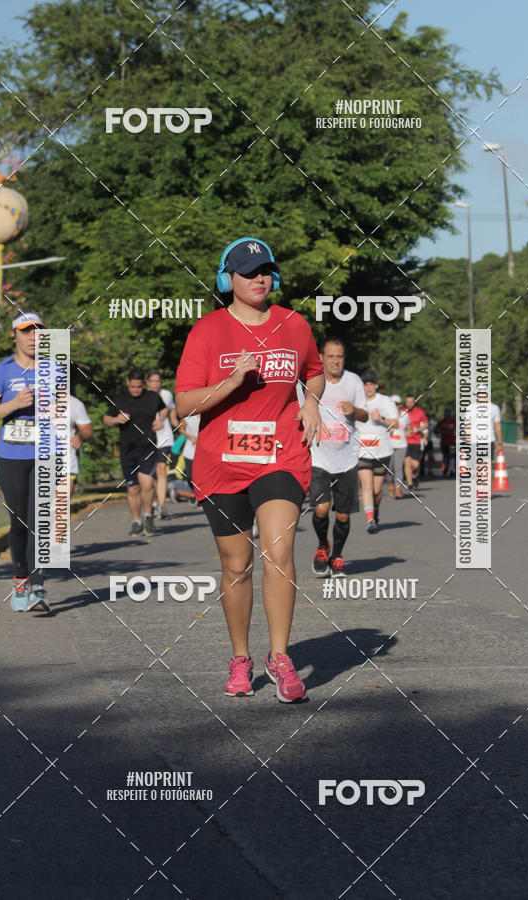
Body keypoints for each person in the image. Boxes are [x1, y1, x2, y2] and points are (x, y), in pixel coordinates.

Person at [175, 236, 324, 703]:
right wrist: (232, 380)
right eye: (248, 272)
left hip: (281, 456)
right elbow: (184, 404)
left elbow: (314, 371)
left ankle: (280, 657)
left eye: (265, 270)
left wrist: (313, 403)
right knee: (235, 565)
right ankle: (240, 657)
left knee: (279, 550)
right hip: (222, 463)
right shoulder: (208, 331)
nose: (259, 278)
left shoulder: (293, 324)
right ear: (228, 280)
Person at [0, 311, 50, 612]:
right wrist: (15, 404)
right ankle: (20, 581)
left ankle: (38, 587)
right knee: (19, 521)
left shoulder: (53, 369)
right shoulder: (2, 371)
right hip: (11, 456)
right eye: (26, 331)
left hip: (45, 454)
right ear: (15, 335)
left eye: (37, 332)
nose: (33, 337)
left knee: (40, 522)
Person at [307, 337, 368, 576]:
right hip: (319, 457)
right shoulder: (313, 382)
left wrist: (355, 411)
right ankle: (323, 546)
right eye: (330, 356)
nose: (335, 361)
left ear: (344, 358)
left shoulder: (353, 381)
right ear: (321, 357)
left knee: (343, 514)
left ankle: (338, 555)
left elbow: (364, 415)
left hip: (347, 459)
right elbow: (300, 410)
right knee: (321, 508)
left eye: (339, 356)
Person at [103, 368, 165, 536]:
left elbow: (164, 409)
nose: (135, 390)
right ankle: (137, 521)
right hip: (128, 449)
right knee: (133, 489)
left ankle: (148, 516)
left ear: (143, 384)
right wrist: (116, 419)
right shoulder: (120, 400)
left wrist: (160, 421)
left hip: (148, 446)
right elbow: (106, 419)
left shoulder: (152, 397)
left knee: (146, 482)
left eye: (138, 387)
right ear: (127, 383)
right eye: (132, 387)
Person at [356, 370, 399, 533]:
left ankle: (376, 510)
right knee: (366, 486)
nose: (368, 388)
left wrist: (380, 419)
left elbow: (396, 424)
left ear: (376, 386)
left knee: (376, 491)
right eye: (365, 385)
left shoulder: (386, 401)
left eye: (371, 384)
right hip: (362, 450)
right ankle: (370, 520)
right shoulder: (357, 402)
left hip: (382, 450)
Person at [145, 369, 179, 518]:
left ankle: (160, 505)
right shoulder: (142, 396)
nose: (156, 384)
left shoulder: (166, 394)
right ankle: (152, 503)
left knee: (161, 470)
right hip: (148, 439)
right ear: (147, 382)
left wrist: (174, 422)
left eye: (158, 381)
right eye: (153, 381)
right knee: (149, 474)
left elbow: (172, 409)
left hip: (165, 438)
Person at [402, 393, 429, 490]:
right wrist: (405, 430)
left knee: (416, 465)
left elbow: (426, 424)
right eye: (407, 402)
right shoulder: (402, 412)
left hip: (417, 441)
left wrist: (419, 429)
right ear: (405, 403)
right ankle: (409, 484)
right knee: (407, 463)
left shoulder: (420, 412)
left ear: (414, 402)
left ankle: (414, 476)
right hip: (405, 441)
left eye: (411, 402)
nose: (409, 404)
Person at [69, 395, 93, 495]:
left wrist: (80, 437)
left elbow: (87, 430)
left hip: (65, 459)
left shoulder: (74, 403)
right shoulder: (32, 399)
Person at [386, 394, 409, 499]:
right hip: (389, 446)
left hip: (401, 445)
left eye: (397, 404)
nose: (396, 406)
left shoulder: (405, 415)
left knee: (398, 468)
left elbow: (408, 427)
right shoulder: (386, 415)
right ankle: (391, 486)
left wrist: (408, 431)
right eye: (394, 404)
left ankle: (398, 489)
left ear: (400, 405)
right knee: (389, 468)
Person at [434, 408, 457, 478]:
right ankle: (446, 467)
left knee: (452, 456)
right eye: (446, 414)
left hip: (453, 442)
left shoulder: (454, 421)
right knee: (446, 457)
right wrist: (442, 432)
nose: (448, 416)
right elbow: (436, 431)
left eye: (449, 414)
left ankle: (452, 470)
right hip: (444, 443)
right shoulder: (441, 422)